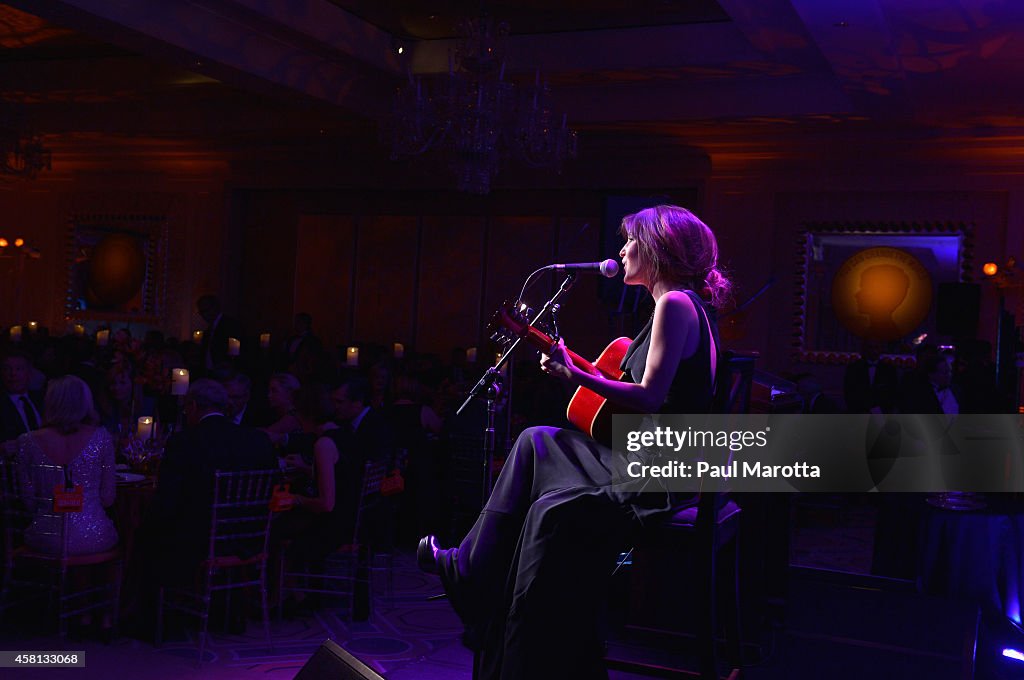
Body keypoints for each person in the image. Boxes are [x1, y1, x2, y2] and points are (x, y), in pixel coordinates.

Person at [417, 204, 728, 680]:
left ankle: (477, 578)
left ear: (658, 250)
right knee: (536, 440)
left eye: (630, 242)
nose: (621, 251)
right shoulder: (681, 307)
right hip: (652, 457)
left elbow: (648, 398)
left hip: (656, 471)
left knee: (540, 466)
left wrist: (573, 373)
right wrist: (573, 371)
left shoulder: (675, 304)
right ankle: (472, 569)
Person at [15, 375, 118, 555]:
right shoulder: (101, 437)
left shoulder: (26, 441)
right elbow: (108, 498)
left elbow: (28, 501)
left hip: (45, 536)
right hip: (94, 535)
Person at [1, 351, 44, 457]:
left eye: (19, 369)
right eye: (7, 369)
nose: (13, 374)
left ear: (29, 373)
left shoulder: (41, 399)